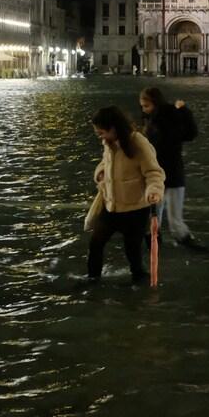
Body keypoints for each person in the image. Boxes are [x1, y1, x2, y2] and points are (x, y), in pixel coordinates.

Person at [85, 106, 165, 284]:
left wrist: (154, 191)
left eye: (102, 132)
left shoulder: (139, 143)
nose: (100, 136)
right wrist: (100, 173)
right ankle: (92, 280)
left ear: (114, 128)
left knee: (133, 252)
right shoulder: (109, 143)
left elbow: (154, 172)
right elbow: (105, 163)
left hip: (135, 208)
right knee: (95, 243)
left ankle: (139, 283)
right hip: (111, 205)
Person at [139, 86, 207, 251]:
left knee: (155, 216)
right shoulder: (168, 119)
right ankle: (187, 244)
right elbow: (190, 134)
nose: (144, 110)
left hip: (158, 174)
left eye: (146, 106)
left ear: (155, 103)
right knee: (171, 218)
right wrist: (184, 111)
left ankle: (155, 249)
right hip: (173, 172)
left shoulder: (157, 123)